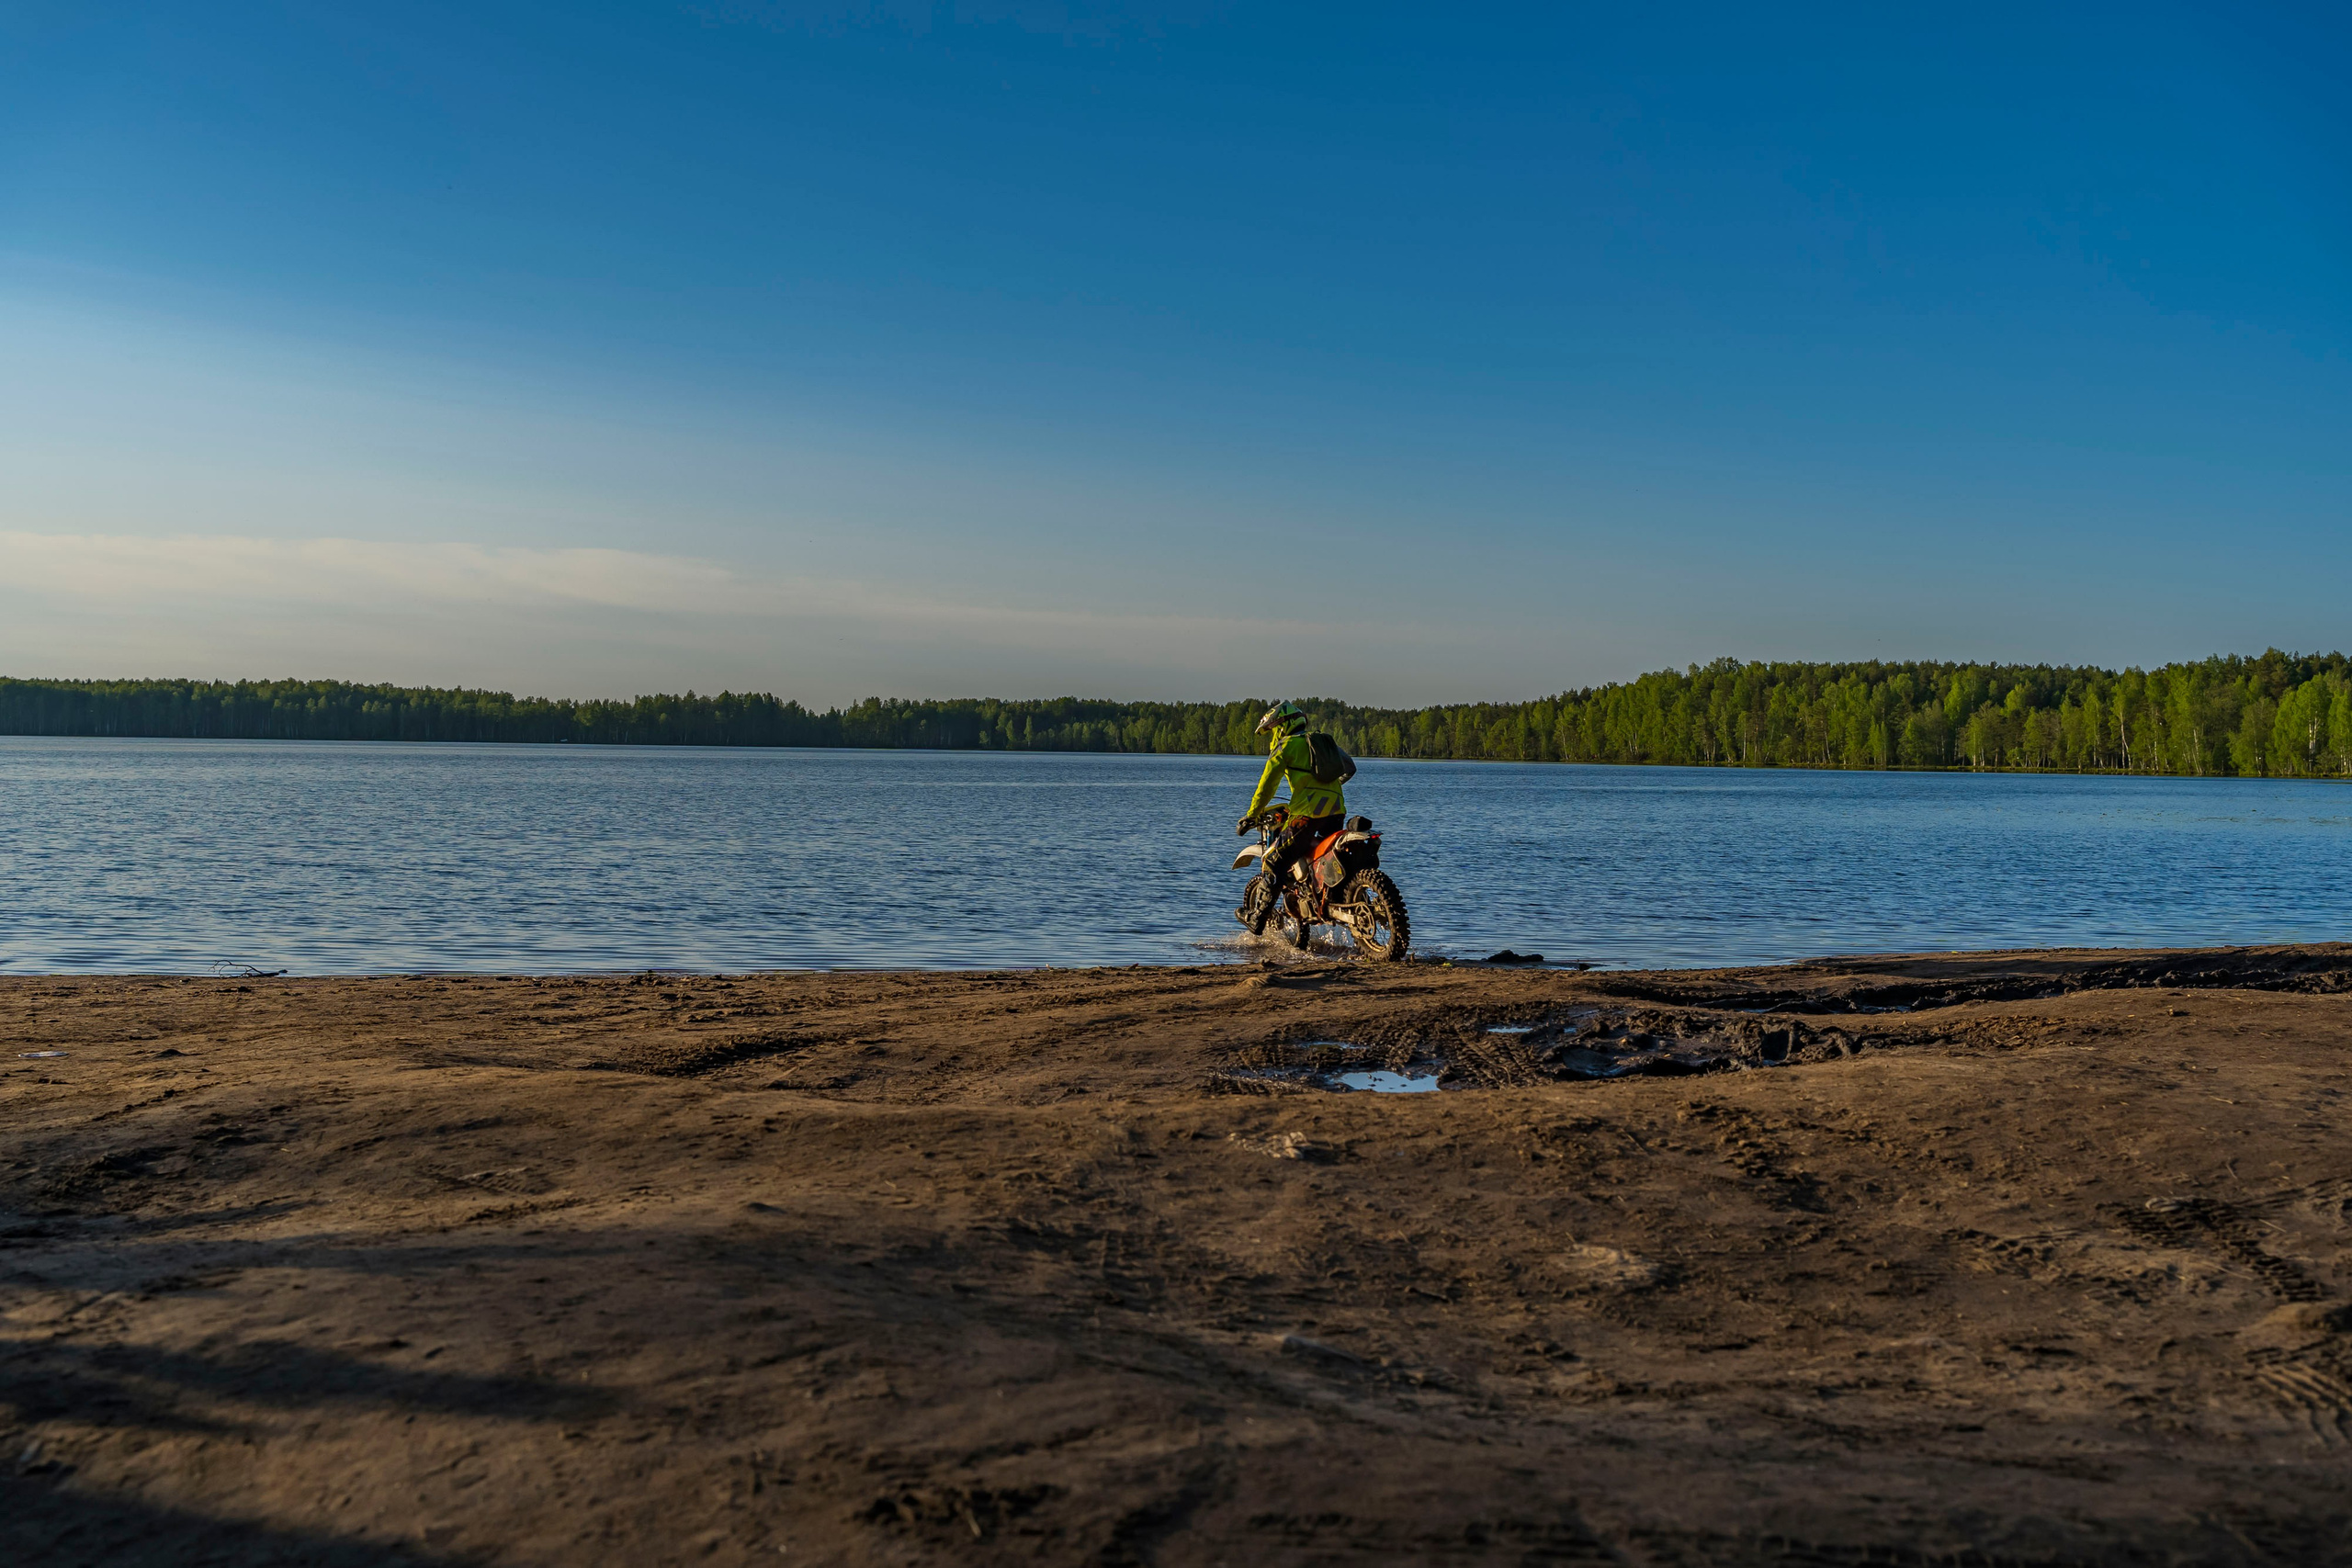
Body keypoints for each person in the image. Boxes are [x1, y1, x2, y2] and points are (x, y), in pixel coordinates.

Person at [1236, 700, 1346, 931]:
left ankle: (1257, 919)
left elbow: (1267, 786)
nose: (1273, 735)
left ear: (1282, 726)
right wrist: (1327, 784)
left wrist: (1250, 816)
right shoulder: (1323, 741)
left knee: (1274, 861)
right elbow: (1350, 768)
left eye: (1273, 730)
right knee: (1324, 860)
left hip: (1306, 815)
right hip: (1336, 811)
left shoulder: (1286, 746)